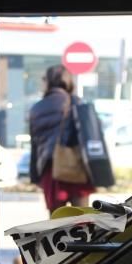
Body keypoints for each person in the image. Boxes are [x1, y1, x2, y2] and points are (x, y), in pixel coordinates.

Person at [29, 64, 95, 212]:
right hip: (76, 168)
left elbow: (35, 146)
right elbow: (89, 136)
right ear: (69, 81)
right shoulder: (76, 103)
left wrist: (35, 176)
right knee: (81, 220)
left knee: (56, 224)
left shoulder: (36, 108)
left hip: (50, 171)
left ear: (47, 82)